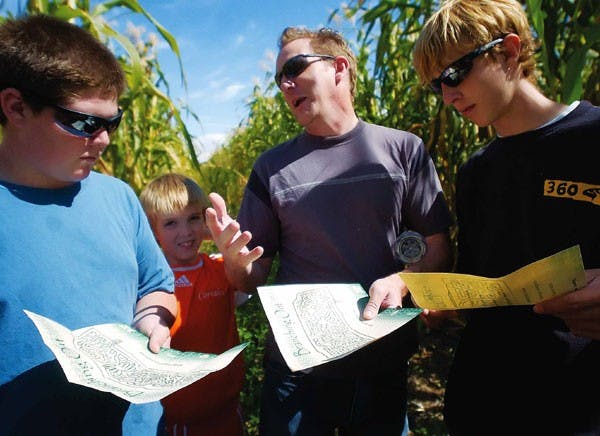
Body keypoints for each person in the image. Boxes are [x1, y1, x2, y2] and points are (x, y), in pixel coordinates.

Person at [206, 26, 453, 435]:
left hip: (382, 366)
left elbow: (438, 247)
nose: (284, 85)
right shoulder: (271, 169)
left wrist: (405, 281)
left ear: (338, 68)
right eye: (278, 79)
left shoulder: (403, 150)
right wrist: (235, 263)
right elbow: (252, 274)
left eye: (295, 68)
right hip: (298, 373)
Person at [412, 0, 600, 434]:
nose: (447, 95)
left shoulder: (593, 139)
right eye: (436, 85)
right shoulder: (476, 171)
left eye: (455, 74)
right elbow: (481, 282)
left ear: (509, 51)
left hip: (576, 407)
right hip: (482, 401)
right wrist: (444, 302)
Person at [0, 15, 177, 435]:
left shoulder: (119, 197)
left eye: (112, 122)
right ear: (16, 106)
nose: (103, 140)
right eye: (83, 123)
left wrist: (151, 322)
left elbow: (155, 285)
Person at [139, 173, 249, 436]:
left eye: (193, 218)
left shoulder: (221, 268)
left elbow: (248, 285)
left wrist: (232, 251)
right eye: (170, 223)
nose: (186, 232)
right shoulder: (149, 280)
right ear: (153, 232)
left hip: (226, 408)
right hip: (175, 416)